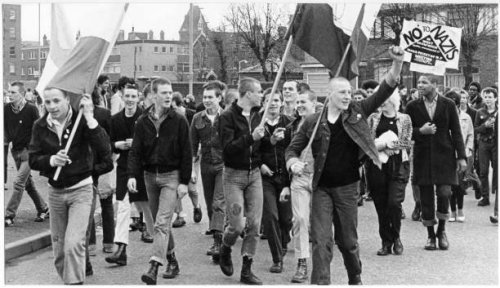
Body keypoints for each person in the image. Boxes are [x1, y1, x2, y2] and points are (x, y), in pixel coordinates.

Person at [285, 46, 404, 285]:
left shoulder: (357, 112)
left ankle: (355, 277)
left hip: (348, 189)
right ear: (329, 95)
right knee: (321, 240)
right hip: (321, 189)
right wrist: (293, 162)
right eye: (342, 92)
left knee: (347, 241)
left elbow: (384, 90)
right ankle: (321, 282)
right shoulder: (312, 121)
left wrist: (397, 63)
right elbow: (292, 148)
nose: (348, 96)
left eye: (349, 92)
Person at [29, 89, 112, 284]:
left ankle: (74, 282)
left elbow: (104, 149)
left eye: (56, 100)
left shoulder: (81, 120)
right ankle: (69, 279)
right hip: (55, 192)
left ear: (67, 99)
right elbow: (33, 159)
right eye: (47, 102)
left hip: (81, 190)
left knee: (73, 243)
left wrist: (91, 118)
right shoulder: (40, 125)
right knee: (59, 249)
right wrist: (51, 160)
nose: (52, 106)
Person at [127, 78, 192, 285]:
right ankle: (172, 259)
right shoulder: (142, 121)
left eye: (170, 92)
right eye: (163, 92)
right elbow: (135, 152)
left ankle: (154, 265)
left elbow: (186, 152)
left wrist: (184, 181)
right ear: (153, 95)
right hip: (149, 177)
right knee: (158, 223)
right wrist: (132, 176)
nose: (168, 96)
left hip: (171, 176)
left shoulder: (179, 120)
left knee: (163, 222)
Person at [405, 75, 467, 251]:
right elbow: (405, 131)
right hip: (423, 156)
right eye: (419, 83)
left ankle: (442, 231)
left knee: (444, 192)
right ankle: (430, 236)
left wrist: (461, 157)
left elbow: (456, 132)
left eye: (424, 82)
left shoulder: (448, 104)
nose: (420, 85)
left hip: (444, 156)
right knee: (425, 197)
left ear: (435, 84)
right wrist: (420, 131)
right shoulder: (412, 106)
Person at [218, 77, 265, 285]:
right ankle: (225, 247)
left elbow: (260, 145)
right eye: (259, 91)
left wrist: (270, 139)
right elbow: (227, 150)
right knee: (237, 225)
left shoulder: (258, 116)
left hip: (253, 175)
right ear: (247, 94)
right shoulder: (227, 117)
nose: (262, 95)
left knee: (254, 223)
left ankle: (247, 269)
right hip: (233, 176)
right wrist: (251, 138)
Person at [105, 83, 155, 268]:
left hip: (142, 168)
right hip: (124, 167)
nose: (130, 100)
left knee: (147, 208)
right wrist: (118, 145)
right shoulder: (115, 119)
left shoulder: (145, 118)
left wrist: (137, 143)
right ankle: (121, 249)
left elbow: (153, 142)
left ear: (138, 98)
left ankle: (162, 248)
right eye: (127, 96)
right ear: (123, 96)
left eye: (134, 96)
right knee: (123, 206)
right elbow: (108, 141)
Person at [366, 89, 412, 256]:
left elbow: (407, 142)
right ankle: (386, 241)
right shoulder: (373, 119)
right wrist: (383, 146)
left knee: (394, 203)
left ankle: (397, 237)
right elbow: (368, 142)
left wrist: (391, 146)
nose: (381, 103)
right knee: (381, 205)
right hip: (377, 166)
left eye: (384, 100)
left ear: (392, 101)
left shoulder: (404, 119)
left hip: (398, 165)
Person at [283, 89, 317, 283]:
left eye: (303, 101)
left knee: (319, 224)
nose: (299, 105)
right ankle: (302, 262)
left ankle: (321, 262)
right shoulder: (291, 127)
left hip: (320, 179)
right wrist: (287, 179)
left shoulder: (323, 125)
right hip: (299, 179)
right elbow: (287, 152)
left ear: (314, 104)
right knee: (300, 220)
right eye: (298, 103)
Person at [258, 88, 293, 274]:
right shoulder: (257, 123)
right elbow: (251, 150)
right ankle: (277, 258)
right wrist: (260, 164)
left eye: (276, 100)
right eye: (269, 100)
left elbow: (295, 149)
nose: (272, 103)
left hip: (285, 178)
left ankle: (285, 240)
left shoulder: (290, 123)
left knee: (286, 219)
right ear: (264, 102)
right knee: (270, 216)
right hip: (266, 178)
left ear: (281, 103)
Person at [4, 82, 49, 227]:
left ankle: (9, 215)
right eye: (9, 92)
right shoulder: (6, 109)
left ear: (22, 94)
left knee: (18, 183)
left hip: (29, 151)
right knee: (28, 184)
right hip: (15, 150)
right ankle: (43, 208)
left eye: (13, 93)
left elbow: (39, 129)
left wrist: (36, 149)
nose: (9, 95)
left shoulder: (31, 109)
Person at [191, 81, 226, 261]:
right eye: (204, 97)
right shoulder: (197, 118)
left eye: (211, 97)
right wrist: (192, 170)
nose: (207, 100)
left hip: (224, 166)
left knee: (219, 202)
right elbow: (192, 146)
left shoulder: (227, 117)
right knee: (210, 201)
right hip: (206, 165)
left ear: (219, 98)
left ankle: (218, 241)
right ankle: (219, 231)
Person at [170, 92, 202, 227]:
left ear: (178, 104)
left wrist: (192, 170)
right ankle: (180, 215)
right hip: (175, 156)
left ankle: (197, 206)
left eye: (172, 107)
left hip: (192, 156)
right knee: (175, 188)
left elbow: (196, 138)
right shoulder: (169, 118)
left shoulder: (191, 116)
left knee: (191, 188)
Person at [444, 91, 474, 222]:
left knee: (460, 184)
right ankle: (452, 211)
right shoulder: (443, 118)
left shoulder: (466, 117)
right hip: (447, 154)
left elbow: (471, 135)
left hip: (462, 154)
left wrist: (468, 149)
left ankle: (460, 209)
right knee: (451, 184)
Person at [474, 87, 498, 207]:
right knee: (483, 171)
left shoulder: (498, 112)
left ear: (496, 98)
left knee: (497, 170)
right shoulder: (480, 112)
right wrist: (485, 125)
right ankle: (485, 197)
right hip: (484, 143)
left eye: (490, 97)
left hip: (496, 143)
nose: (488, 99)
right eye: (486, 97)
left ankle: (497, 197)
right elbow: (475, 129)